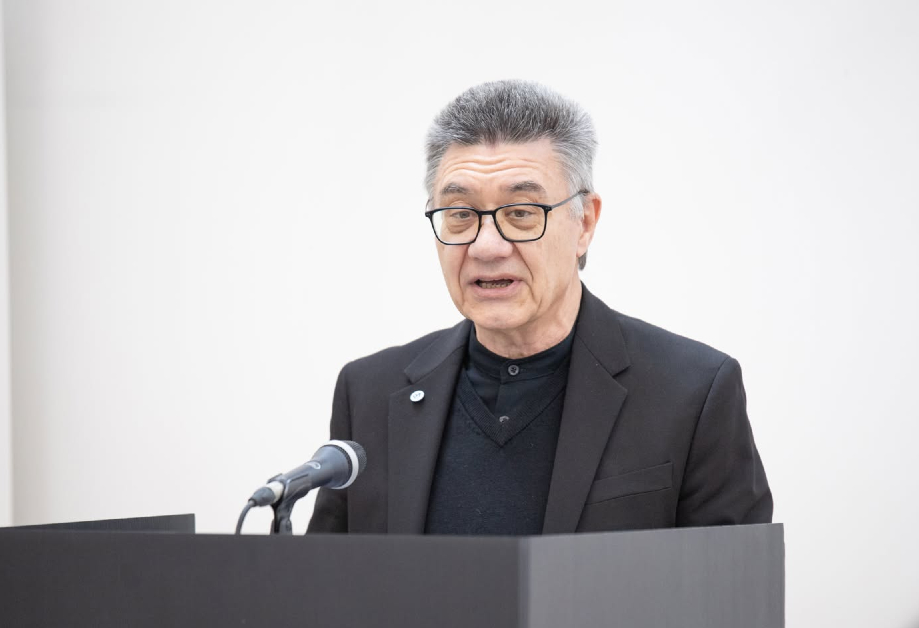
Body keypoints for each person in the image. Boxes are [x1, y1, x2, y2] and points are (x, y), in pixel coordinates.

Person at [308, 79, 772, 535]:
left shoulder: (691, 391)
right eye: (461, 214)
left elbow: (730, 582)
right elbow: (329, 579)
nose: (486, 247)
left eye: (521, 213)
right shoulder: (369, 392)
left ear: (584, 223)